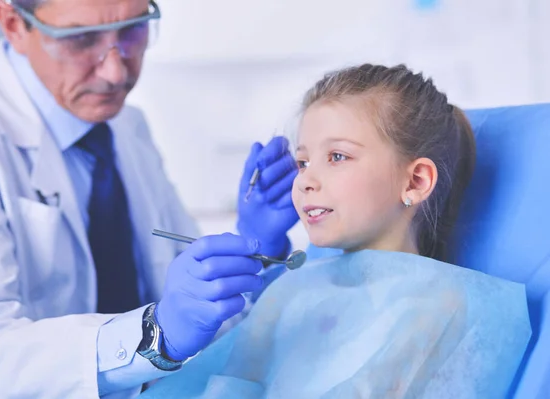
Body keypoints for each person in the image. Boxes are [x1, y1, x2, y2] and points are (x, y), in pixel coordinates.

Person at [0, 0, 299, 397]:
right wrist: (155, 333)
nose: (116, 72)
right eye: (80, 39)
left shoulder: (127, 127)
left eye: (134, 29)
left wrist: (258, 249)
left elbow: (196, 322)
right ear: (13, 23)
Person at [139, 64, 532, 398]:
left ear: (414, 181)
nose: (306, 180)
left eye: (338, 156)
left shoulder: (447, 306)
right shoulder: (290, 293)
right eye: (303, 160)